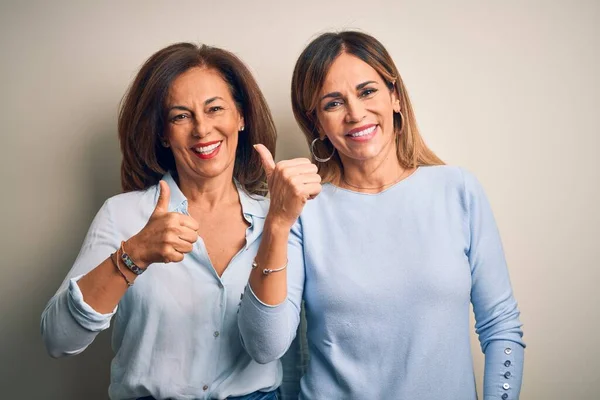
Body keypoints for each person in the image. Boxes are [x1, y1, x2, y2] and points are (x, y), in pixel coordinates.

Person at [238, 31, 525, 400]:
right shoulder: (303, 211)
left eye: (367, 91)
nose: (356, 113)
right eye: (333, 103)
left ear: (395, 96)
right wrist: (277, 222)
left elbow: (501, 326)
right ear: (317, 123)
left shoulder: (458, 190)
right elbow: (266, 347)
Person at [41, 42, 282, 400]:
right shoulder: (124, 214)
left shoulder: (276, 216)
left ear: (241, 117)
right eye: (181, 116)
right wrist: (132, 256)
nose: (202, 129)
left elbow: (290, 348)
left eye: (215, 108)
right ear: (163, 134)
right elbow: (58, 339)